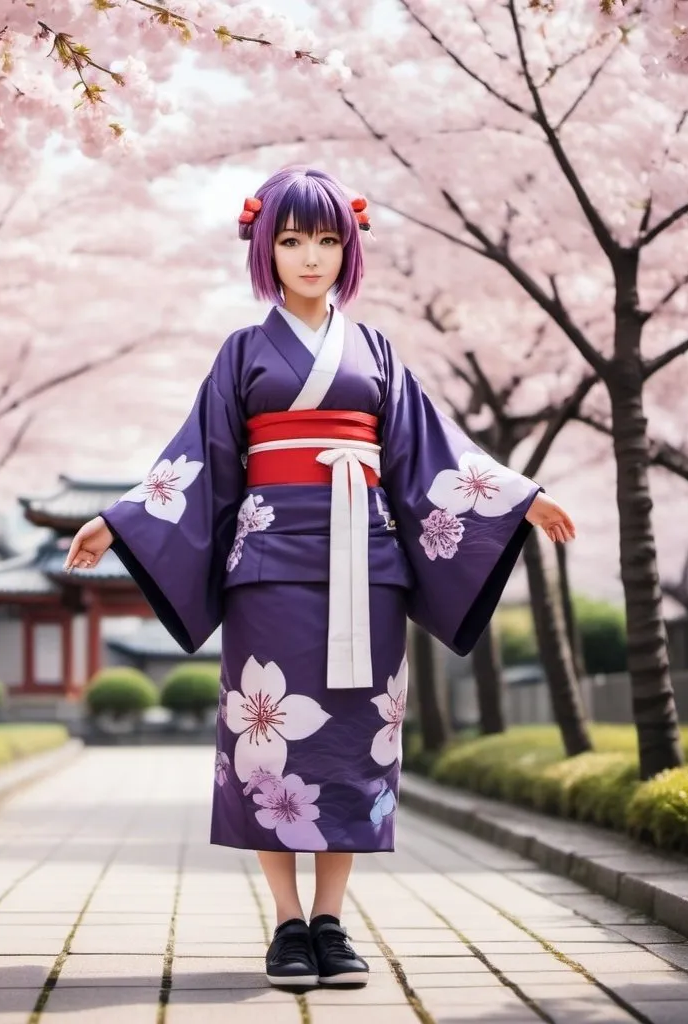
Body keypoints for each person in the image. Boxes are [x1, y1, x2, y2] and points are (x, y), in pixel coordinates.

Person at [65, 166, 575, 991]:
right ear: (267, 246)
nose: (311, 257)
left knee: (352, 737)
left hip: (368, 568)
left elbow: (430, 455)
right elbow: (200, 459)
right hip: (269, 569)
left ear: (349, 248)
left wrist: (518, 497)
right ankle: (285, 922)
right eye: (294, 240)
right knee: (268, 736)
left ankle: (331, 921)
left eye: (328, 240)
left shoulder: (376, 352)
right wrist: (120, 520)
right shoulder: (241, 353)